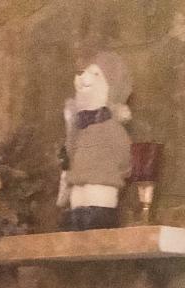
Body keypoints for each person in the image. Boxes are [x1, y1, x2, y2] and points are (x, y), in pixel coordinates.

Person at [60, 52, 134, 231]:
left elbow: (124, 156)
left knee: (97, 220)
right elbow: (71, 152)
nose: (84, 77)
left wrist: (119, 170)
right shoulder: (79, 128)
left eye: (95, 74)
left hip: (101, 189)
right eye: (85, 72)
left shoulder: (112, 128)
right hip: (77, 191)